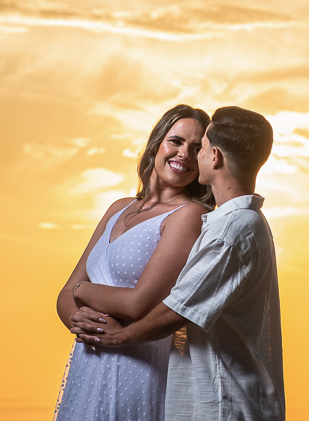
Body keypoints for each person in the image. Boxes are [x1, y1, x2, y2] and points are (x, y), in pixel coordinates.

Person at [71, 106, 284, 421]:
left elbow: (178, 308)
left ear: (214, 158)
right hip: (216, 396)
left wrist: (119, 334)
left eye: (200, 148)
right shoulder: (229, 222)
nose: (191, 156)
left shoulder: (231, 230)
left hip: (224, 400)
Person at [54, 105, 215, 421]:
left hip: (136, 367)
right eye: (177, 141)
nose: (184, 154)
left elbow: (136, 304)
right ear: (156, 143)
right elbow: (64, 293)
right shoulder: (118, 207)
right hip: (87, 361)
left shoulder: (189, 215)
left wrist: (83, 291)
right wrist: (80, 321)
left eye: (196, 149)